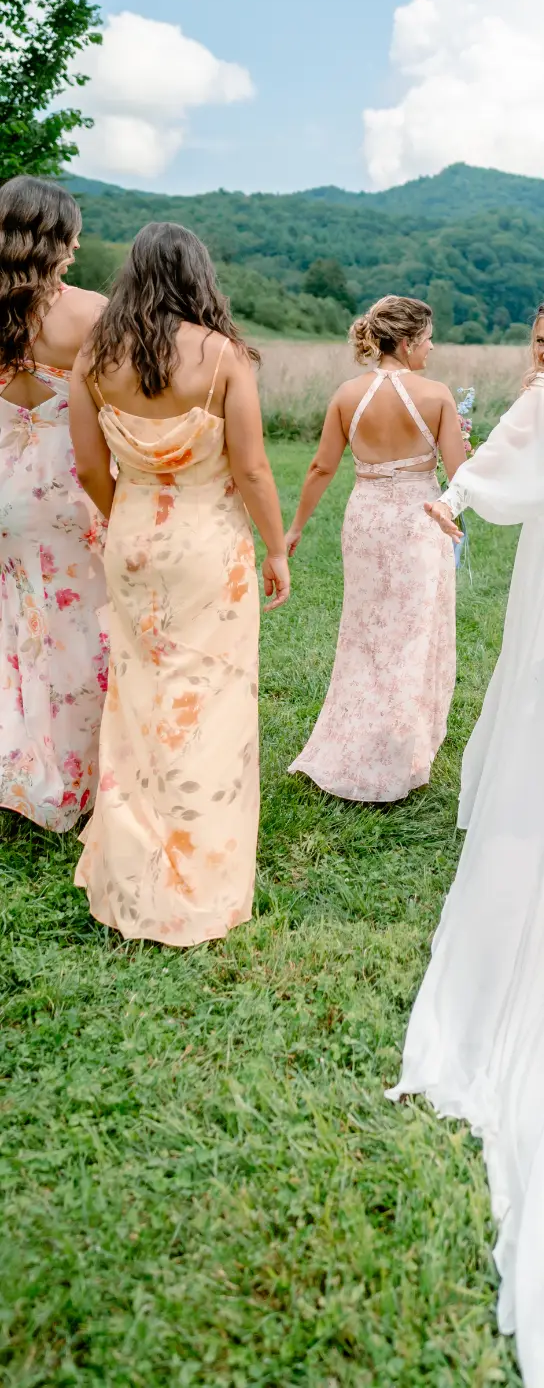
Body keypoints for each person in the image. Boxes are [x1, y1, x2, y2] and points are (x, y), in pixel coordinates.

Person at [388, 241, 544, 1388]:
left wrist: (450, 501)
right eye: (538, 340)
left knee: (541, 680)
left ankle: (534, 806)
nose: (543, 354)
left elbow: (497, 469)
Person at [68, 223, 290, 947]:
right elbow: (251, 468)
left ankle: (133, 853)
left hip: (132, 534)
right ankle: (198, 869)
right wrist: (276, 548)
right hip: (208, 545)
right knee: (211, 692)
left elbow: (90, 467)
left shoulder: (95, 356)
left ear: (132, 275)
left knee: (137, 692)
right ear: (200, 276)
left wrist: (131, 517)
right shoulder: (222, 356)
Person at [284, 296, 465, 801]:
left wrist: (296, 527)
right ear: (405, 343)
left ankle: (354, 742)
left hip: (365, 520)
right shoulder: (436, 396)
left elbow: (322, 467)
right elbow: (458, 474)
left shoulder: (348, 394)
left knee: (364, 632)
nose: (432, 347)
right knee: (412, 633)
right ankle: (398, 751)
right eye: (427, 339)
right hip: (418, 520)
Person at [0, 177, 109, 832]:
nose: (77, 248)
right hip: (73, 490)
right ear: (51, 238)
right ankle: (77, 776)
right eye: (72, 236)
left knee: (20, 630)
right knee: (83, 633)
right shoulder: (91, 313)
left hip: (7, 492)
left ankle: (22, 764)